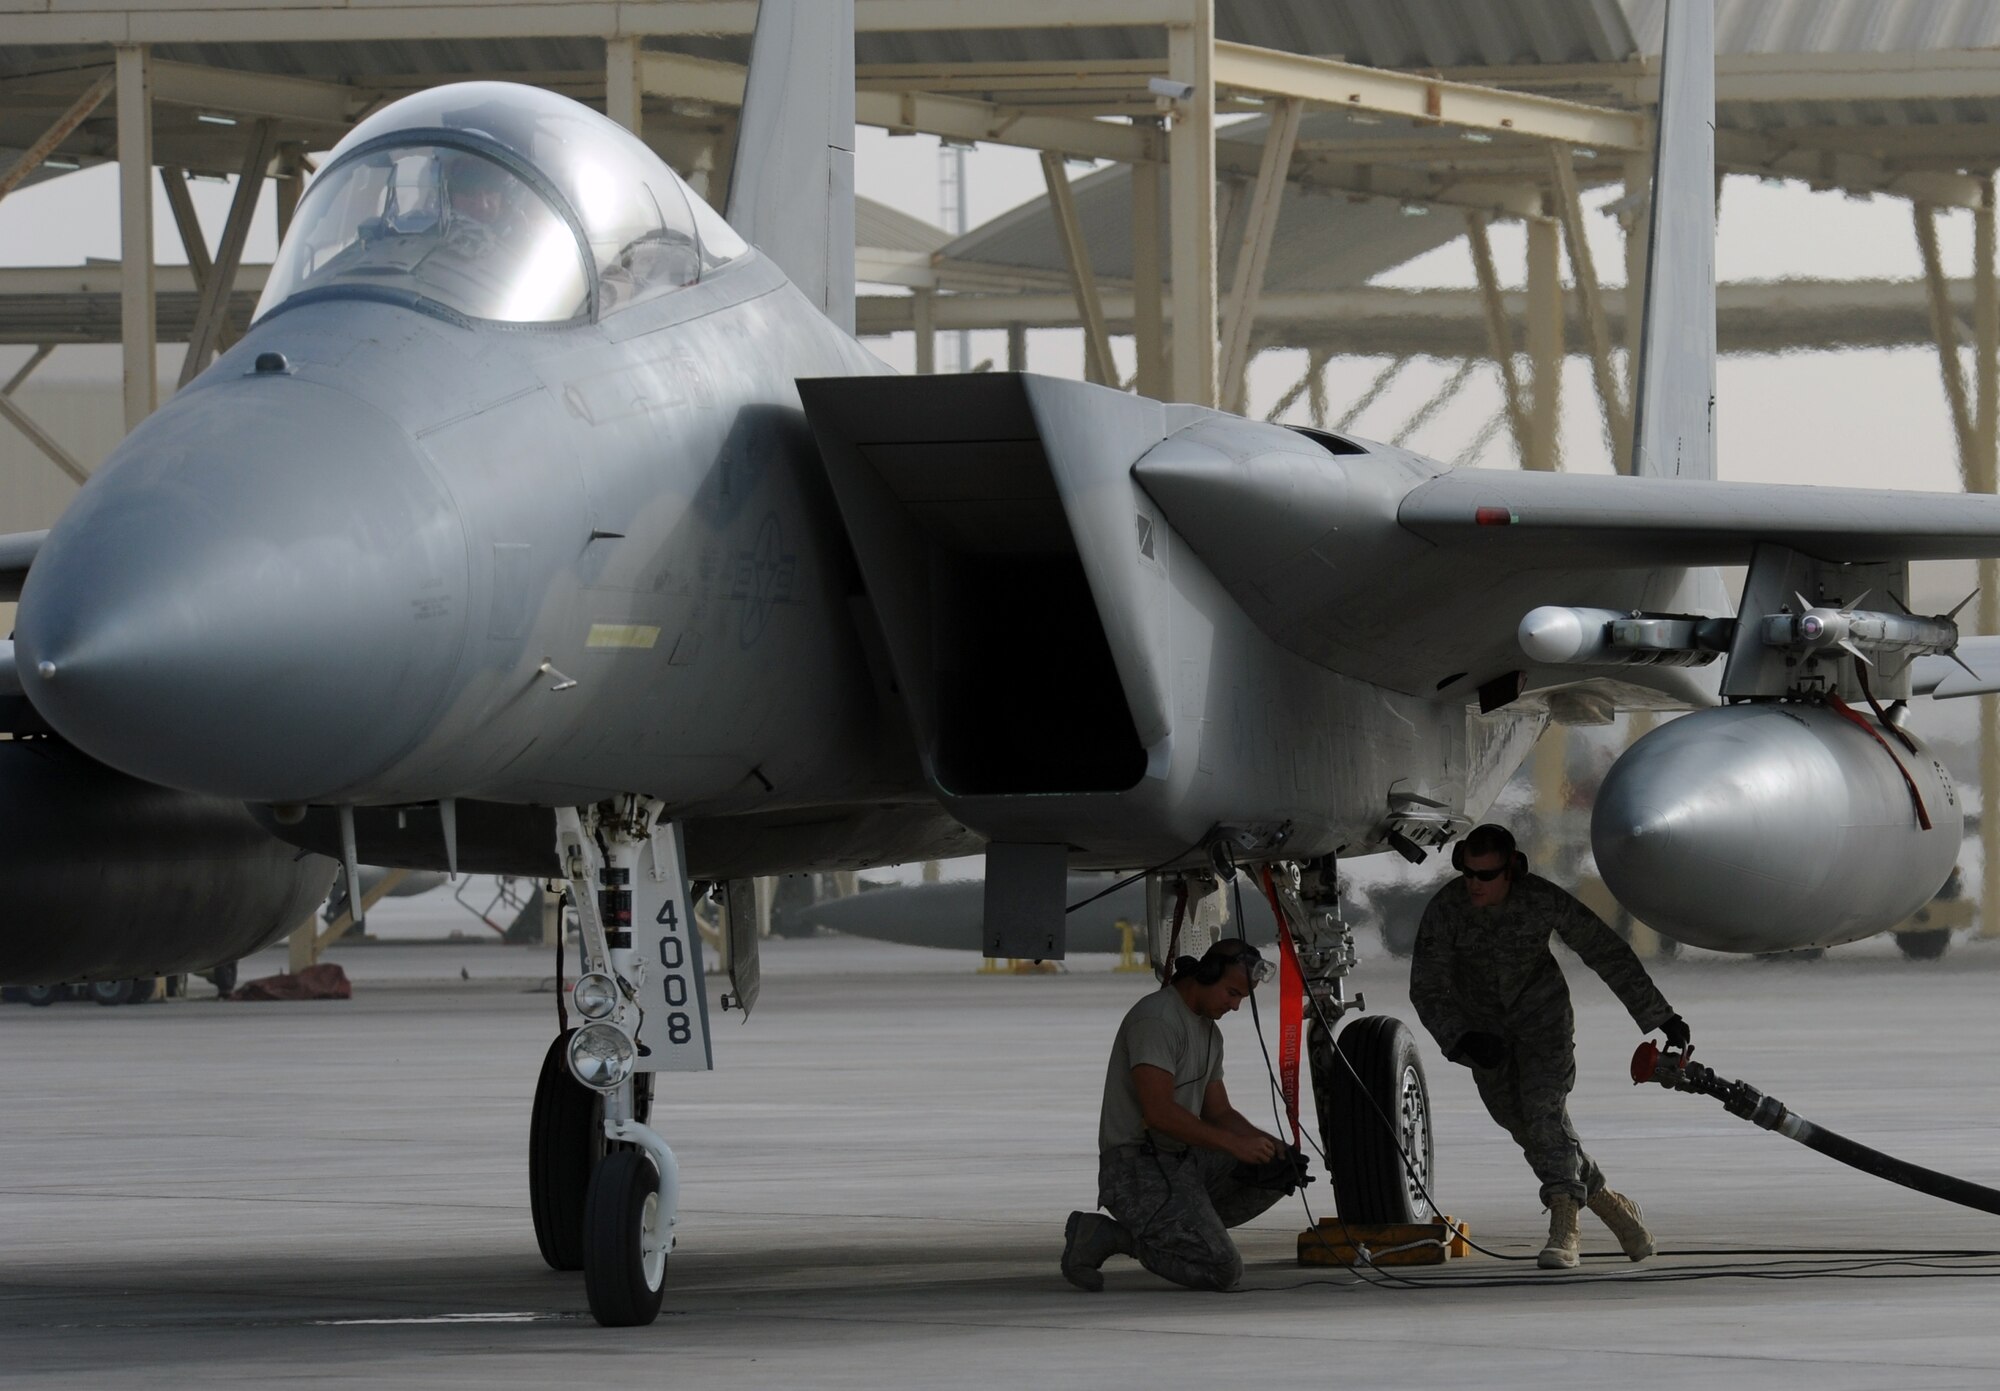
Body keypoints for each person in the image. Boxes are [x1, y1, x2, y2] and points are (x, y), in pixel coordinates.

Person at [1410, 822, 1691, 1270]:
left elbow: (1603, 950)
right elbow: (1426, 987)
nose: (1475, 885)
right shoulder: (1447, 910)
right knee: (1525, 1126)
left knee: (1543, 1114)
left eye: (1486, 876)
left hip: (1543, 1024)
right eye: (1469, 874)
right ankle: (1614, 1207)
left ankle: (1565, 1228)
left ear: (1511, 871)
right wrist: (1460, 1039)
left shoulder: (1540, 899)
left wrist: (1658, 1015)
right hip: (1485, 1036)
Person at [1060, 938, 1303, 1292]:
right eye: (1231, 993)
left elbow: (1219, 1112)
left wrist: (1270, 1146)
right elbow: (1159, 1113)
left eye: (1241, 998)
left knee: (1272, 1171)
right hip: (1136, 1168)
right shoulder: (1157, 1019)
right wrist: (1235, 1145)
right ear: (1206, 974)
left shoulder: (1210, 1034)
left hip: (1180, 1160)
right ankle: (1108, 1236)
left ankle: (1187, 1228)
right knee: (1224, 1270)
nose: (1234, 1006)